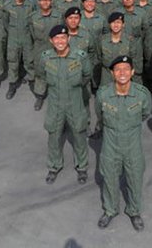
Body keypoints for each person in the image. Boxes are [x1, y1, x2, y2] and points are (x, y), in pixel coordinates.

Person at [95, 56, 152, 231]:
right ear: (112, 73)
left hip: (133, 145)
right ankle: (110, 210)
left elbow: (145, 113)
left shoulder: (142, 94)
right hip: (110, 144)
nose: (122, 73)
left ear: (132, 72)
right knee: (110, 178)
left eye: (126, 69)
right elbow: (100, 116)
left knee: (135, 178)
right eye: (118, 69)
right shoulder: (103, 94)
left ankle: (134, 211)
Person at [37, 25, 91, 184]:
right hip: (55, 104)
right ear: (51, 41)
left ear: (68, 38)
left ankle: (82, 167)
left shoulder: (80, 57)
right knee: (53, 136)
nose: (60, 41)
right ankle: (54, 166)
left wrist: (75, 87)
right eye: (56, 38)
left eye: (63, 38)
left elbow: (86, 75)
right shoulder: (46, 57)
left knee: (79, 135)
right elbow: (41, 74)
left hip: (75, 102)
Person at [29, 0, 62, 111]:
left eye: (48, 0)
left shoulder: (58, 16)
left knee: (57, 73)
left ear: (52, 1)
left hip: (55, 49)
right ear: (38, 2)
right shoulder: (33, 17)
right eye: (43, 0)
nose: (46, 2)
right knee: (40, 73)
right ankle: (40, 95)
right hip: (40, 48)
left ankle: (58, 98)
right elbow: (31, 34)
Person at [4, 0, 35, 100]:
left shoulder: (30, 4)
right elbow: (5, 22)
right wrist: (12, 32)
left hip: (27, 38)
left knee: (29, 61)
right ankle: (12, 84)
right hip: (13, 38)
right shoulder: (8, 5)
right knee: (13, 62)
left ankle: (32, 82)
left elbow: (33, 22)